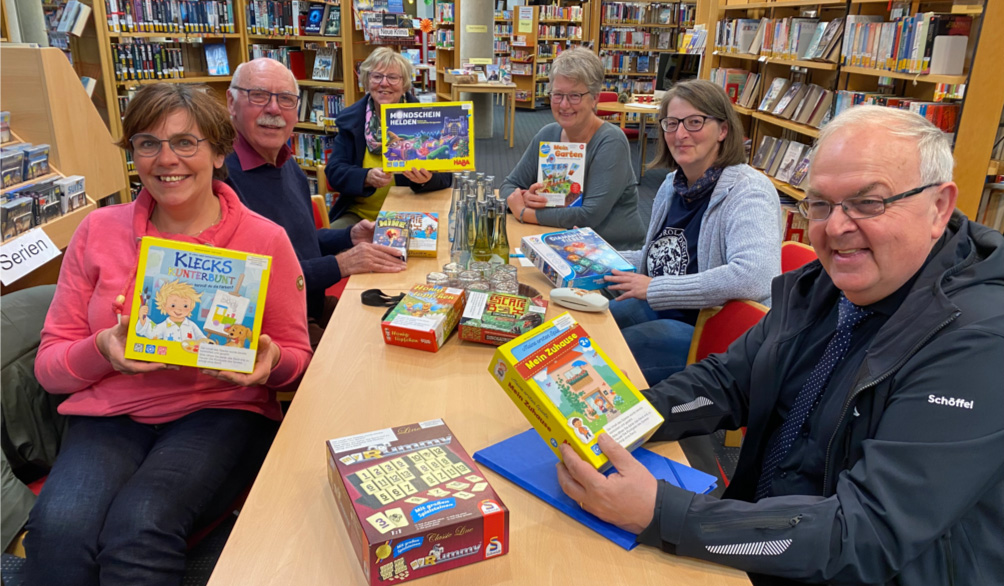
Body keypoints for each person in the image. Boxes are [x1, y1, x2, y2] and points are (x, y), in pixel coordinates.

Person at [556, 106, 1004, 585]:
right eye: (821, 204)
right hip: (770, 534)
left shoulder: (979, 342)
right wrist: (625, 418)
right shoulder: (829, 284)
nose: (835, 228)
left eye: (868, 203)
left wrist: (663, 513)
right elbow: (731, 380)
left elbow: (868, 532)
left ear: (938, 206)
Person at [25, 83, 313, 586]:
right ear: (132, 153)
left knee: (140, 528)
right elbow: (50, 369)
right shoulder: (97, 231)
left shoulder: (264, 239)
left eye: (186, 142)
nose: (166, 159)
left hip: (218, 411)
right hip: (110, 417)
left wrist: (270, 363)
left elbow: (296, 358)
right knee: (58, 533)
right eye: (147, 143)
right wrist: (103, 350)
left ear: (220, 151)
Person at [606, 79, 780, 384]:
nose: (680, 134)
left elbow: (755, 275)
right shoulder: (673, 185)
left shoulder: (748, 190)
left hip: (715, 332)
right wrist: (592, 255)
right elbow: (655, 261)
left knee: (605, 360)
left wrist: (657, 289)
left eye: (695, 122)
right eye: (671, 123)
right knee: (589, 326)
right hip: (668, 310)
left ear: (723, 130)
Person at [225, 58, 406, 334]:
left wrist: (349, 237)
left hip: (310, 307)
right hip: (271, 329)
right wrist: (341, 263)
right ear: (231, 102)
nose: (273, 109)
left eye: (286, 99)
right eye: (258, 95)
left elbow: (300, 242)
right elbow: (254, 279)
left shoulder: (287, 164)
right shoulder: (221, 181)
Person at [499, 47, 646, 250]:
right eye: (557, 95)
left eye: (575, 96)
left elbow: (588, 216)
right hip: (560, 240)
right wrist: (523, 197)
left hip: (612, 251)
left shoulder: (611, 142)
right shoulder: (547, 135)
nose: (564, 105)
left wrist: (524, 212)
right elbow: (508, 186)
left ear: (595, 98)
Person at [325, 47, 452, 230]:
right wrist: (366, 177)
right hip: (361, 218)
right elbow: (334, 172)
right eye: (377, 76)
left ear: (405, 84)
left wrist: (426, 179)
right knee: (330, 245)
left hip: (412, 214)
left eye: (393, 78)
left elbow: (447, 178)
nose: (384, 83)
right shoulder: (351, 120)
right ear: (367, 81)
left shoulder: (427, 118)